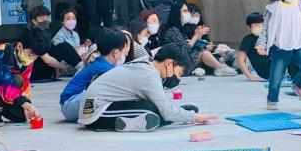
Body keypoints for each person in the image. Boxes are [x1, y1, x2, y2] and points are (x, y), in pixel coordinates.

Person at [78, 43, 216, 132]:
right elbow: (166, 111)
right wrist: (197, 117)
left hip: (103, 105)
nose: (177, 78)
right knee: (154, 111)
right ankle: (125, 123)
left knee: (154, 107)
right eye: (178, 73)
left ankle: (177, 114)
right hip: (92, 112)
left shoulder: (146, 65)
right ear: (169, 63)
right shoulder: (148, 75)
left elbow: (161, 103)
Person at [0, 28, 49, 127]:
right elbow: (6, 86)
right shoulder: (0, 54)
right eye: (30, 54)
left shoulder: (28, 58)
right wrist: (26, 105)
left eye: (36, 56)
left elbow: (25, 83)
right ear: (20, 46)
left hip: (6, 85)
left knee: (21, 116)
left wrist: (26, 104)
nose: (32, 59)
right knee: (16, 80)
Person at [59, 29, 128, 122]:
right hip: (71, 105)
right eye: (123, 52)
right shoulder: (104, 68)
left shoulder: (101, 63)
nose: (124, 55)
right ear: (115, 53)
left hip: (71, 104)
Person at [159, 2, 236, 76]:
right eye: (185, 11)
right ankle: (221, 68)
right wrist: (197, 35)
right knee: (204, 53)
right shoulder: (172, 31)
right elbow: (184, 49)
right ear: (177, 13)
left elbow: (190, 46)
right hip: (178, 64)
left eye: (188, 11)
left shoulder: (180, 30)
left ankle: (225, 65)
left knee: (209, 51)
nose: (188, 13)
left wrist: (199, 37)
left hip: (185, 60)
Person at [26, 6, 81, 81]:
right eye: (42, 18)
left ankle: (81, 67)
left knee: (60, 46)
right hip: (35, 72)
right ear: (34, 20)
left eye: (46, 18)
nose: (45, 20)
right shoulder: (31, 35)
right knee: (62, 46)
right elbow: (47, 60)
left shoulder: (44, 32)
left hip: (46, 69)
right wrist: (63, 68)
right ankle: (82, 68)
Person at [237, 12, 271, 81]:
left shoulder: (269, 37)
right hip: (265, 70)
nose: (260, 27)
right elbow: (240, 60)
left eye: (262, 25)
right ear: (249, 27)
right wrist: (250, 77)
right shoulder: (248, 39)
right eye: (256, 25)